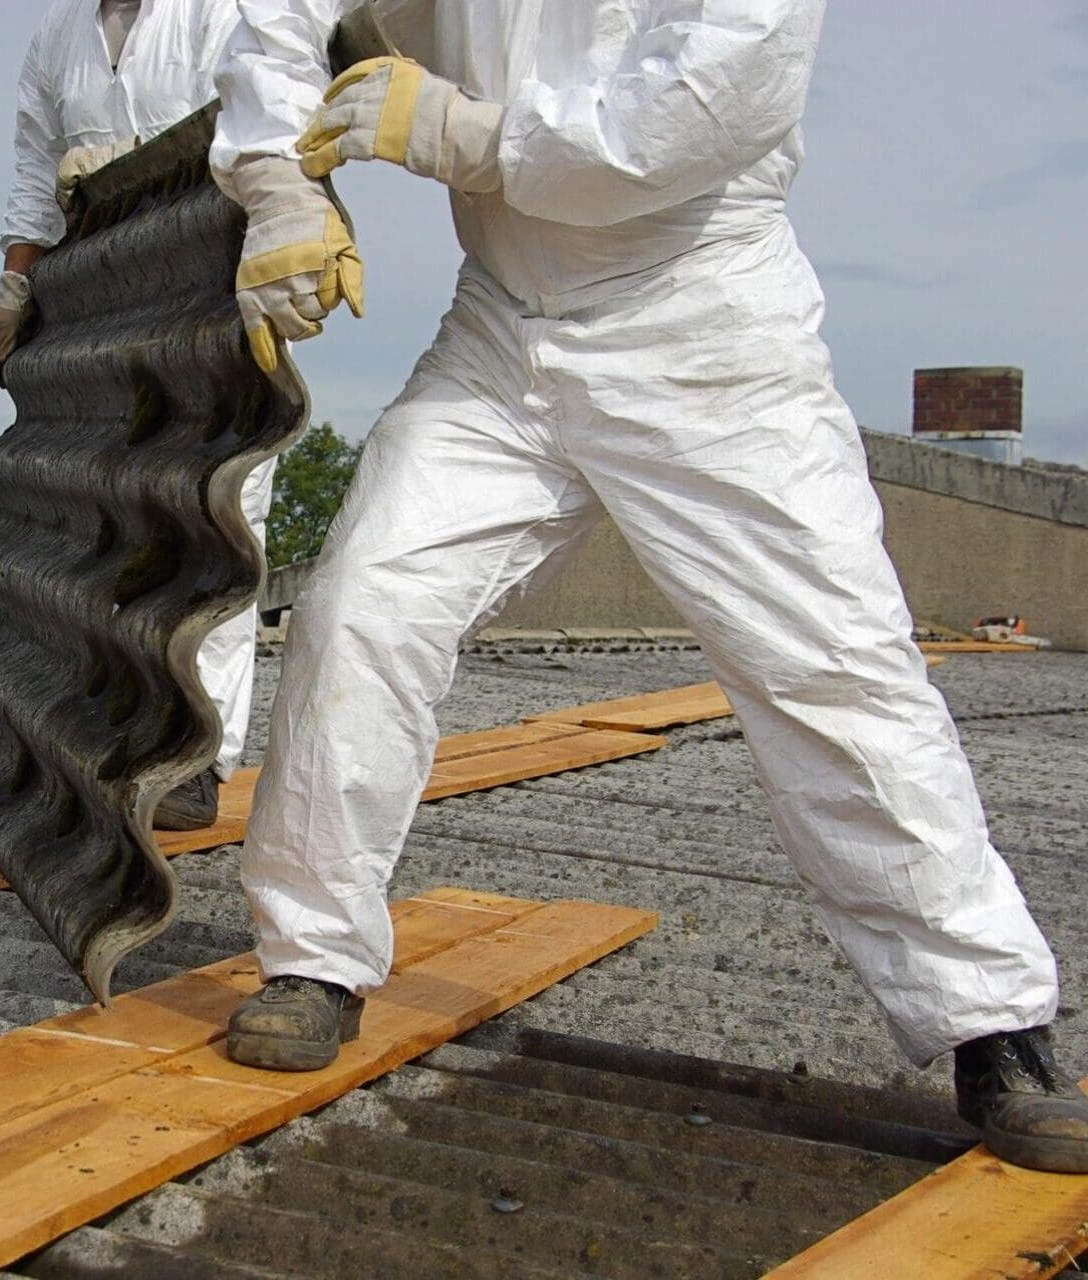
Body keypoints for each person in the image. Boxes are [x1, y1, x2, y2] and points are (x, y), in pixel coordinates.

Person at [208, 0, 1088, 1172]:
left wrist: (463, 136)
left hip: (703, 326)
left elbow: (684, 117)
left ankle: (992, 1021)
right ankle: (312, 956)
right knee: (360, 602)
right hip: (501, 332)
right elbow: (282, 15)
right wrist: (280, 187)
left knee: (831, 664)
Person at [0, 0, 272, 830]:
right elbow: (34, 171)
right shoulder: (60, 37)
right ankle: (110, 728)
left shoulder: (222, 11)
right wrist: (16, 284)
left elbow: (271, 122)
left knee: (217, 514)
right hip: (105, 298)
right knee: (111, 516)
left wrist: (150, 165)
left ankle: (199, 756)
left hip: (217, 281)